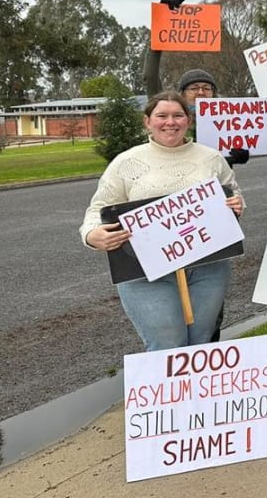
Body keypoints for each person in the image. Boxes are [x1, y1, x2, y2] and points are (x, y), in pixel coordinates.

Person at [80, 91, 244, 351]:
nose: (171, 122)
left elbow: (232, 195)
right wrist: (92, 235)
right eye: (162, 116)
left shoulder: (212, 158)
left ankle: (196, 393)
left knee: (200, 343)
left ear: (188, 120)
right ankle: (170, 392)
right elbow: (97, 209)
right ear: (147, 122)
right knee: (168, 345)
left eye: (178, 115)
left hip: (208, 268)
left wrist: (236, 205)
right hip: (145, 272)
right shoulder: (126, 162)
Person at [178, 68, 248, 343]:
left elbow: (234, 161)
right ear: (183, 95)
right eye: (194, 88)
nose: (201, 92)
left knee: (210, 305)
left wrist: (239, 152)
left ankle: (208, 351)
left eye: (206, 88)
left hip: (213, 219)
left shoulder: (225, 120)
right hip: (177, 222)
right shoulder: (176, 124)